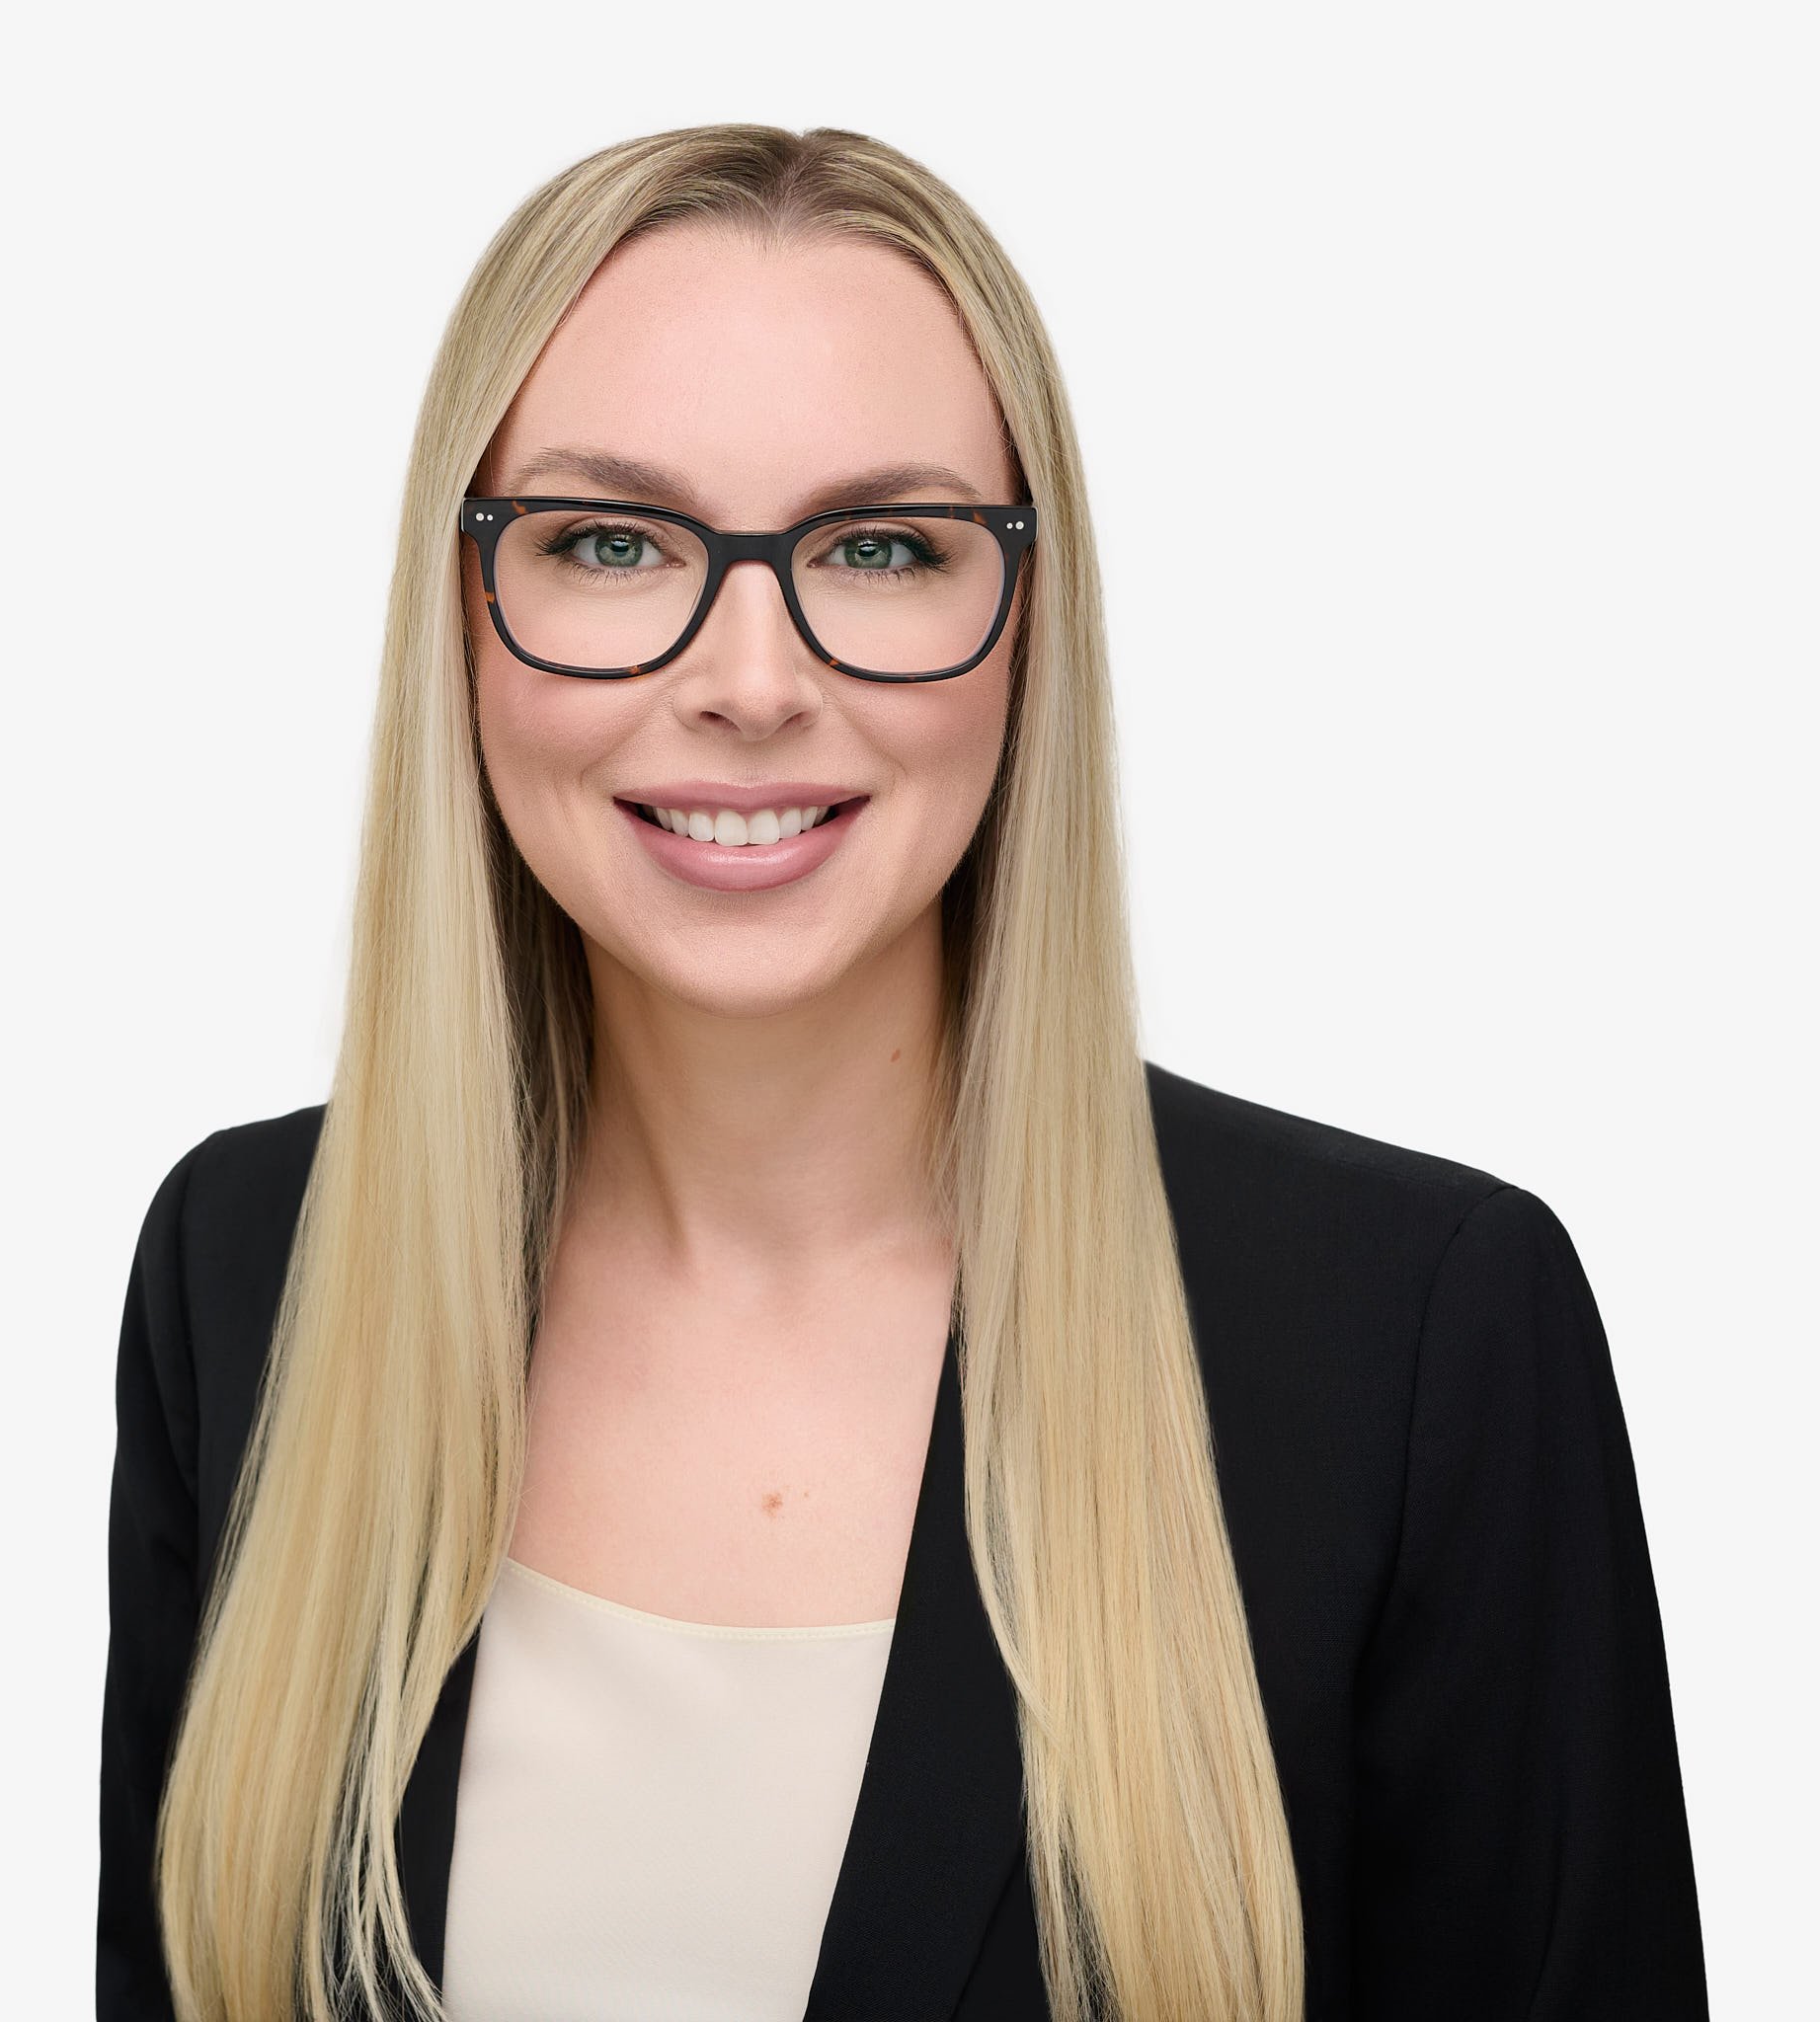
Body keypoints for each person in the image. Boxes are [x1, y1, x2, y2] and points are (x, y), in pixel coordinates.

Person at [98, 124, 1709, 2022]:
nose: (753, 677)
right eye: (612, 542)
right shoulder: (249, 1266)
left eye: (881, 547)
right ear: (464, 617)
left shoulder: (1421, 1338)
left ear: (1026, 628)